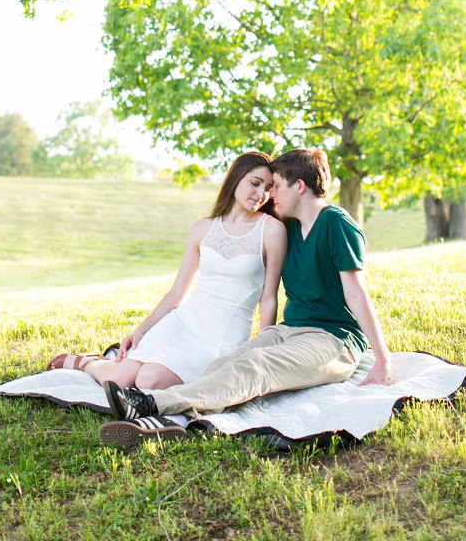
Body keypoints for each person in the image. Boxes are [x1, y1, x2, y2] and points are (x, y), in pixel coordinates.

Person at [98, 146, 394, 448]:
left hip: (332, 339)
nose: (270, 195)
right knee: (225, 365)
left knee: (257, 366)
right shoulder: (289, 227)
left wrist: (383, 361)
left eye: (275, 186)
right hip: (288, 331)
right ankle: (171, 421)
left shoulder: (338, 225)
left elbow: (357, 295)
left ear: (299, 186)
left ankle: (151, 405)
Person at [47, 151, 288, 394]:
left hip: (223, 337)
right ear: (235, 179)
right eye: (255, 184)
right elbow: (176, 293)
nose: (261, 194)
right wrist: (140, 330)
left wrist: (260, 350)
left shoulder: (272, 231)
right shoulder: (202, 229)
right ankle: (89, 363)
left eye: (268, 188)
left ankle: (111, 364)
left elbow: (268, 298)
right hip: (186, 322)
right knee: (118, 379)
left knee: (148, 381)